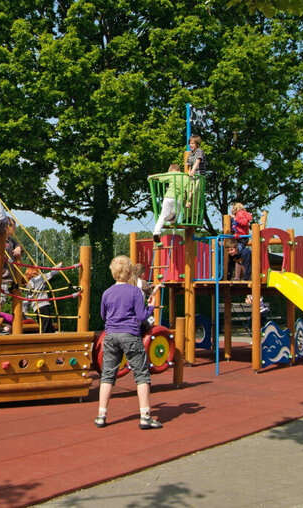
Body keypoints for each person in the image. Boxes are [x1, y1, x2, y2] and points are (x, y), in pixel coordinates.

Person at [95, 255, 162, 430]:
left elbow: (103, 316)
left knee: (107, 375)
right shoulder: (135, 292)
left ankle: (101, 415)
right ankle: (145, 416)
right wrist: (151, 306)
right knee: (141, 375)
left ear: (113, 272)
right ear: (130, 272)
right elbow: (141, 316)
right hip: (130, 335)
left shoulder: (107, 293)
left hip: (110, 336)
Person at [22, 262, 63, 333]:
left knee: (44, 325)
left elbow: (26, 300)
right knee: (46, 327)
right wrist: (59, 265)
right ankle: (46, 341)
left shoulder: (28, 284)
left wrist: (24, 313)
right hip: (43, 305)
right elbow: (51, 273)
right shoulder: (38, 279)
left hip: (36, 308)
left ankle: (49, 337)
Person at [152, 164, 188, 244]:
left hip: (168, 197)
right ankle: (172, 220)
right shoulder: (185, 177)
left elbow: (159, 176)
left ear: (172, 169)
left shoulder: (172, 174)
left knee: (162, 216)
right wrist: (188, 201)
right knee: (174, 217)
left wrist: (150, 177)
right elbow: (189, 190)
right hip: (179, 199)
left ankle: (157, 233)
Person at [185, 135, 206, 209]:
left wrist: (193, 171)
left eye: (192, 143)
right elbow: (189, 165)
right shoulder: (190, 154)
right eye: (190, 143)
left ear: (197, 144)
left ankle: (195, 211)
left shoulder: (199, 151)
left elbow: (198, 161)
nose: (190, 145)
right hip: (193, 177)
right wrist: (189, 172)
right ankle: (188, 201)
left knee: (196, 192)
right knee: (189, 189)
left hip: (199, 176)